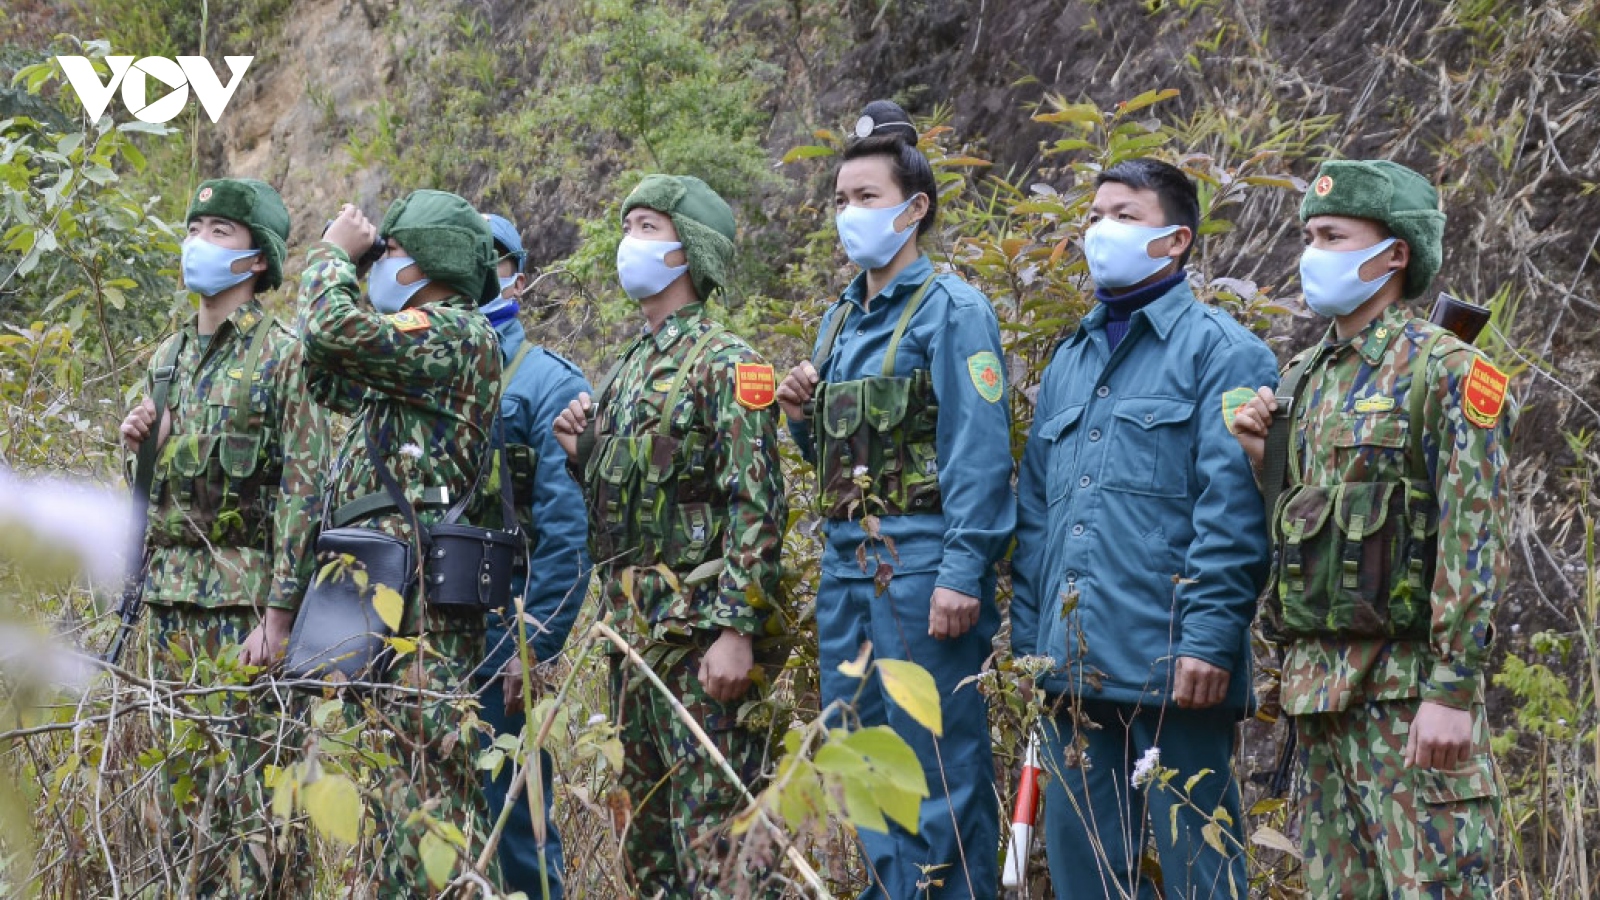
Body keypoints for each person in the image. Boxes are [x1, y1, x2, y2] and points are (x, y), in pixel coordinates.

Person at [1230, 159, 1510, 898]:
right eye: (1309, 235)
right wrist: (1267, 455)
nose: (1312, 252)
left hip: (1408, 698)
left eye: (1332, 235)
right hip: (1320, 700)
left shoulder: (1448, 370)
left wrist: (1452, 690)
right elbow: (1308, 531)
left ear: (1394, 255)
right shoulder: (1302, 380)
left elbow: (1472, 535)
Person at [1009, 158, 1278, 899]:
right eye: (1095, 215)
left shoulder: (1224, 352)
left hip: (1176, 669)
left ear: (1176, 240)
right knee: (1084, 878)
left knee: (1202, 873)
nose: (1101, 230)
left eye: (1124, 216)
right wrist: (1034, 651)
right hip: (1074, 673)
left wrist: (1209, 637)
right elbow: (1037, 517)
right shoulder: (1069, 361)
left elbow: (1233, 508)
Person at [775, 100, 1014, 900]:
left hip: (920, 571)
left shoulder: (953, 310)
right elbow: (835, 466)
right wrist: (803, 416)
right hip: (846, 570)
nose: (849, 215)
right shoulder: (839, 320)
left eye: (866, 198)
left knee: (937, 767)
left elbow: (978, 455)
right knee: (863, 760)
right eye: (840, 200)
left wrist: (962, 573)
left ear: (914, 209)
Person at [552, 174, 787, 898]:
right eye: (629, 225)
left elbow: (757, 502)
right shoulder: (626, 369)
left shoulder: (732, 362)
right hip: (634, 643)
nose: (631, 242)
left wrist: (737, 632)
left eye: (648, 227)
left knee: (720, 848)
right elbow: (635, 505)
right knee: (649, 853)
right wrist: (581, 454)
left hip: (699, 651)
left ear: (691, 250)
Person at [117, 177, 327, 896]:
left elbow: (305, 488)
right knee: (178, 810)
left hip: (243, 617)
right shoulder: (166, 359)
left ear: (256, 259)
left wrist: (279, 618)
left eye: (221, 232)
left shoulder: (284, 354)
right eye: (195, 227)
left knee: (255, 813)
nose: (199, 244)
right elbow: (152, 500)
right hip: (170, 607)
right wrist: (138, 445)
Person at [299, 189, 504, 892]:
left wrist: (331, 255)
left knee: (431, 794)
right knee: (392, 791)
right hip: (381, 592)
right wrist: (352, 277)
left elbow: (332, 332)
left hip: (424, 607)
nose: (376, 262)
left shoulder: (455, 334)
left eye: (387, 253)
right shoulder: (407, 353)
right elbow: (323, 367)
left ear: (422, 264)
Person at [475, 212, 593, 898]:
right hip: (420, 631)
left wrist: (534, 643)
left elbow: (566, 535)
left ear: (516, 275)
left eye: (493, 261)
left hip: (501, 628)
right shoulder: (415, 371)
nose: (478, 273)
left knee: (518, 828)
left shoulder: (546, 381)